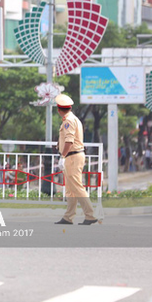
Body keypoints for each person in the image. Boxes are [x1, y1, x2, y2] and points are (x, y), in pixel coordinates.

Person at [54, 94, 98, 226]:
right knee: (70, 189)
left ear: (59, 109)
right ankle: (68, 217)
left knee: (77, 187)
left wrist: (62, 156)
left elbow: (69, 141)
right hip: (73, 155)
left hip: (72, 156)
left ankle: (90, 215)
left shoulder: (68, 121)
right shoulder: (74, 119)